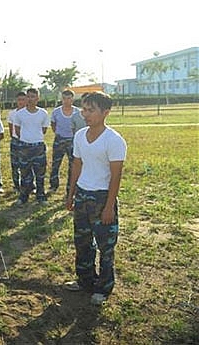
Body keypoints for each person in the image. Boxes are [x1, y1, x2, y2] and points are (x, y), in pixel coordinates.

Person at [65, 91, 127, 306]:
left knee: (105, 247)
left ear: (105, 112)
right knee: (82, 243)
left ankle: (103, 288)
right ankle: (85, 281)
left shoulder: (114, 140)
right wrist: (71, 195)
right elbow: (77, 165)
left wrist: (109, 207)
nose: (85, 114)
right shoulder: (80, 135)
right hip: (82, 195)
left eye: (91, 110)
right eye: (84, 109)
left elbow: (116, 175)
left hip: (102, 198)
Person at [12, 88, 51, 206]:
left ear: (38, 98)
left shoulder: (43, 113)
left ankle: (41, 196)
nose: (30, 99)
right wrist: (26, 139)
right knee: (24, 174)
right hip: (24, 147)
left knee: (40, 174)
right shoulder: (19, 114)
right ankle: (23, 196)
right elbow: (17, 131)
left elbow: (44, 130)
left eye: (33, 96)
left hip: (38, 147)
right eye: (28, 96)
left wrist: (34, 138)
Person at [49, 89, 80, 195]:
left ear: (73, 99)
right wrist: (58, 134)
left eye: (69, 98)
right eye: (64, 98)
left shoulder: (78, 112)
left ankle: (70, 187)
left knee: (73, 165)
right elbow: (53, 124)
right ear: (61, 99)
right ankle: (53, 185)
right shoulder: (56, 111)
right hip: (59, 140)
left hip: (73, 140)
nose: (66, 101)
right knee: (55, 163)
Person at [7, 91, 27, 193]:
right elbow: (11, 128)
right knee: (15, 164)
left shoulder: (28, 113)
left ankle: (28, 185)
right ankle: (16, 185)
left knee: (27, 164)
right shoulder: (12, 113)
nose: (21, 102)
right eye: (19, 100)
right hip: (15, 141)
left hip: (26, 141)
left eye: (23, 100)